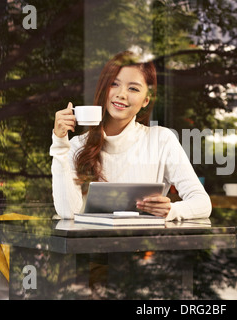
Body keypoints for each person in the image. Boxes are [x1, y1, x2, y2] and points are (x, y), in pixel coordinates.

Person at [50, 51, 212, 221]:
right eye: (114, 84)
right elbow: (67, 212)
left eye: (133, 88)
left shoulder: (161, 140)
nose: (121, 94)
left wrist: (170, 210)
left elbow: (202, 203)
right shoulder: (77, 145)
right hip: (89, 245)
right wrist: (60, 143)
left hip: (143, 245)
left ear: (146, 100)